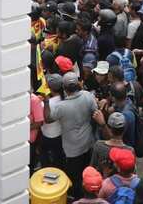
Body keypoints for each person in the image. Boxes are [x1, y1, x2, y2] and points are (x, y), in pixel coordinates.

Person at [43, 71, 99, 199]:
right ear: (78, 84)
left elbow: (47, 118)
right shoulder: (87, 96)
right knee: (86, 172)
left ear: (64, 88)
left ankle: (78, 198)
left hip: (72, 150)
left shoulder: (61, 107)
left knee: (75, 177)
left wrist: (46, 102)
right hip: (88, 142)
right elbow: (95, 112)